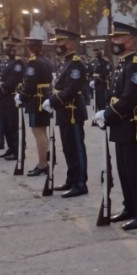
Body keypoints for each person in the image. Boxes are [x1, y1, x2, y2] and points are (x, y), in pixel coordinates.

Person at [93, 22, 137, 230]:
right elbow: (114, 95)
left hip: (134, 125)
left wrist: (108, 115)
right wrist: (106, 113)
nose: (114, 42)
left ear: (130, 41)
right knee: (125, 171)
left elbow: (129, 99)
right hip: (121, 125)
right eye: (113, 38)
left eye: (118, 38)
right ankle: (130, 207)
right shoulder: (122, 65)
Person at [43, 29, 89, 198]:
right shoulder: (66, 62)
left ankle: (80, 183)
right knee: (68, 148)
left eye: (60, 42)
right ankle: (71, 179)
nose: (57, 45)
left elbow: (71, 89)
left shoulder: (76, 64)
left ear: (70, 44)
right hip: (64, 110)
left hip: (73, 111)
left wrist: (53, 101)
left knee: (76, 148)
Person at [17, 37, 53, 176]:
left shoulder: (33, 62)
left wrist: (22, 96)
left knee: (38, 132)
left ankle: (42, 164)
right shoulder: (46, 60)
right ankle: (45, 160)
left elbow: (30, 83)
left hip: (37, 98)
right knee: (42, 131)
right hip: (45, 95)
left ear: (29, 48)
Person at [0, 37, 25, 160]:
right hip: (3, 97)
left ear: (16, 48)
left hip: (11, 96)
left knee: (13, 126)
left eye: (11, 46)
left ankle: (18, 150)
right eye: (7, 46)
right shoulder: (6, 61)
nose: (8, 48)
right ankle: (11, 148)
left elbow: (13, 80)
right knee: (5, 126)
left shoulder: (18, 63)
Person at [89, 47, 112, 118]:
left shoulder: (105, 62)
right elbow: (90, 72)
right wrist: (92, 79)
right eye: (95, 53)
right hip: (95, 85)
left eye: (97, 52)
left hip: (102, 85)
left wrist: (96, 77)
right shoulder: (94, 62)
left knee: (102, 102)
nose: (96, 54)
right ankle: (97, 116)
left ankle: (103, 117)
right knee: (96, 102)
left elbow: (105, 74)